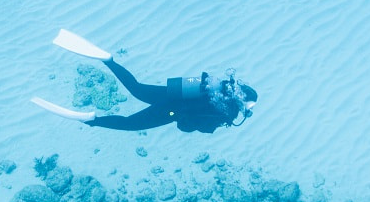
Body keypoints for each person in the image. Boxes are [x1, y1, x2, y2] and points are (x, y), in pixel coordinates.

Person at [32, 30, 257, 133]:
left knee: (137, 89)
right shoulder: (227, 112)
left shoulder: (221, 90)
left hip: (173, 93)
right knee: (131, 124)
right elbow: (192, 126)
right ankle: (92, 120)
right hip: (173, 110)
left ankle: (108, 60)